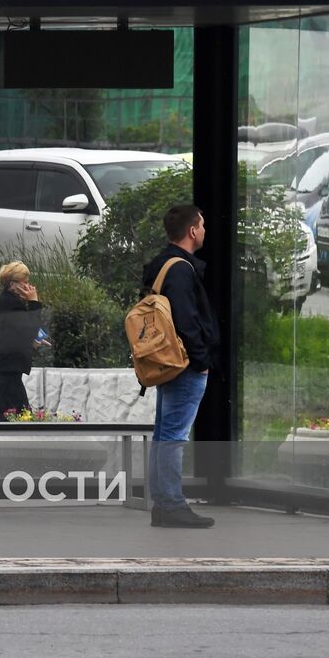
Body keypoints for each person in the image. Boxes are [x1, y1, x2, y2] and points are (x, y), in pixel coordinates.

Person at [143, 204, 220, 529]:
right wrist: (201, 361)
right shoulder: (180, 269)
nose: (204, 230)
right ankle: (172, 504)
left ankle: (163, 504)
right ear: (192, 231)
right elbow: (186, 319)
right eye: (202, 225)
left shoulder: (162, 264)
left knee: (164, 434)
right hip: (183, 363)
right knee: (173, 435)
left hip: (165, 362)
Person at [0, 260, 47, 422]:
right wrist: (34, 302)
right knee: (23, 417)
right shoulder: (12, 305)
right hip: (5, 373)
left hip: (1, 371)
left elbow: (12, 336)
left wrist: (32, 342)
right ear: (13, 285)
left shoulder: (6, 302)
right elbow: (30, 328)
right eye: (25, 283)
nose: (29, 287)